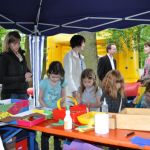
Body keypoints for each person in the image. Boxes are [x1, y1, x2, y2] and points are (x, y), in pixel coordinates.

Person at [39, 61, 66, 150]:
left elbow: (63, 98)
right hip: (46, 112)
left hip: (57, 112)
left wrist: (59, 109)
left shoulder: (62, 82)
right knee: (45, 135)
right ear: (49, 73)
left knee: (57, 134)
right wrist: (47, 109)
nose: (54, 79)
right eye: (52, 77)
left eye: (57, 77)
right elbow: (40, 98)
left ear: (61, 75)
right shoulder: (44, 83)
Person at [0, 31, 32, 99]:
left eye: (19, 43)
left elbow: (27, 70)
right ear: (8, 43)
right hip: (10, 94)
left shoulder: (22, 55)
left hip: (23, 93)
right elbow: (1, 79)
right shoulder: (4, 57)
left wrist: (30, 75)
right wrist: (23, 78)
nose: (17, 45)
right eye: (15, 43)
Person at [64, 35, 86, 103]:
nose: (84, 45)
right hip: (72, 91)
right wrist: (74, 90)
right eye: (83, 42)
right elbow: (68, 75)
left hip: (80, 89)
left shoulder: (81, 57)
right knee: (72, 109)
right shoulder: (68, 56)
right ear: (78, 43)